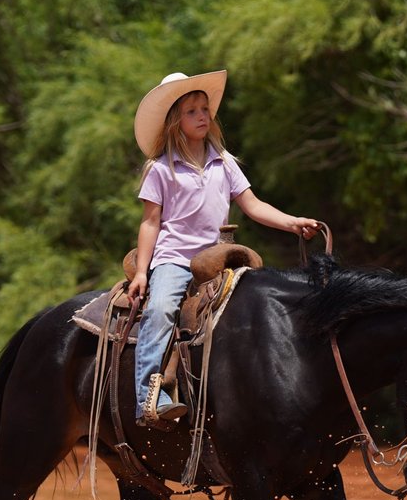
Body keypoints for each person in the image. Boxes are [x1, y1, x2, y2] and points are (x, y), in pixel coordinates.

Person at [128, 69, 321, 428]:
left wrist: (292, 221)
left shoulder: (224, 161)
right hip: (176, 258)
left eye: (205, 109)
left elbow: (252, 205)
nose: (202, 115)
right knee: (160, 310)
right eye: (192, 111)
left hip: (219, 257)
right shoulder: (161, 169)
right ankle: (148, 399)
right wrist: (142, 272)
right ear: (174, 121)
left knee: (263, 307)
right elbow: (150, 222)